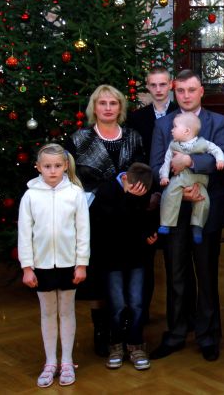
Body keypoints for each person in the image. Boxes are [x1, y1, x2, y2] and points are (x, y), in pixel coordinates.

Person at [149, 69, 224, 362]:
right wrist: (180, 190)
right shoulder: (163, 125)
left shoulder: (217, 122)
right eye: (181, 90)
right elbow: (155, 165)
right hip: (173, 210)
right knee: (176, 274)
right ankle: (175, 333)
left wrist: (190, 161)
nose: (186, 96)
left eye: (191, 90)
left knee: (206, 275)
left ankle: (207, 336)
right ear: (175, 92)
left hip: (206, 208)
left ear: (201, 91)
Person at [65, 84, 145, 357]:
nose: (108, 108)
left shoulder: (134, 136)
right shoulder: (79, 139)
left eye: (113, 103)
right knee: (100, 278)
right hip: (95, 218)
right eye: (103, 103)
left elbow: (142, 173)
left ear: (120, 108)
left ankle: (128, 333)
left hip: (129, 218)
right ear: (94, 108)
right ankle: (103, 331)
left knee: (129, 278)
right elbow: (71, 179)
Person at [17, 143, 90, 388]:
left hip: (69, 264)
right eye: (47, 166)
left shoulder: (75, 194)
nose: (52, 171)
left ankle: (67, 361)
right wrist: (27, 267)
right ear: (38, 167)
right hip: (41, 265)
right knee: (47, 313)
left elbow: (83, 231)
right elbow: (24, 233)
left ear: (65, 166)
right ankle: (50, 362)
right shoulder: (30, 196)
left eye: (57, 166)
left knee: (67, 311)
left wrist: (81, 263)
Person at [90, 162, 156, 371]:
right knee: (116, 304)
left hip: (137, 257)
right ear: (125, 178)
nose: (139, 193)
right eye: (135, 189)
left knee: (137, 303)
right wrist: (129, 198)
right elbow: (109, 222)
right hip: (112, 259)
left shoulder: (143, 189)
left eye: (142, 191)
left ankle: (136, 343)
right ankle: (116, 344)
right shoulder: (107, 190)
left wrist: (150, 234)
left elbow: (145, 218)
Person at [125, 65, 178, 325]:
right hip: (146, 195)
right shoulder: (137, 118)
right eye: (153, 85)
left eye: (163, 84)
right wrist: (148, 193)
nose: (158, 90)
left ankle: (178, 317)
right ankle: (141, 314)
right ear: (147, 86)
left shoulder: (181, 113)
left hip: (176, 192)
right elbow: (135, 158)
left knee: (175, 259)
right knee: (144, 259)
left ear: (171, 85)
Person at [158, 112, 224, 244]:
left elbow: (216, 150)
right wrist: (164, 176)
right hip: (179, 179)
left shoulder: (203, 143)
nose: (172, 130)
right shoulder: (173, 145)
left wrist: (220, 160)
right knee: (169, 193)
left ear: (186, 131)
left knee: (203, 200)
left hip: (199, 180)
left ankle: (197, 226)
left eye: (175, 127)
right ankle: (166, 223)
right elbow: (166, 162)